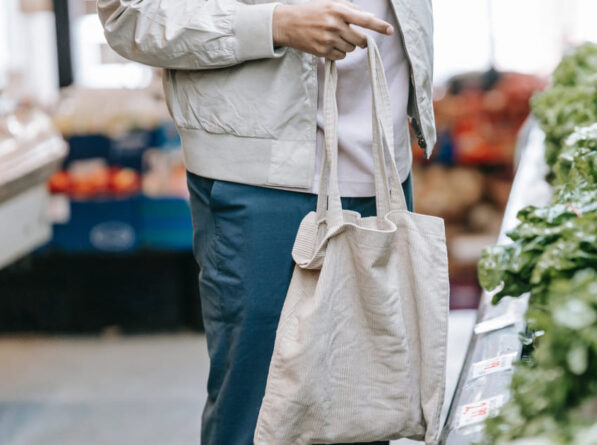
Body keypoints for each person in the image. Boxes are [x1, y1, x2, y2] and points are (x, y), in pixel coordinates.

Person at [97, 0, 435, 444]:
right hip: (261, 180)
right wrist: (272, 25)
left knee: (367, 412)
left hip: (383, 168)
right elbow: (129, 16)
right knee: (257, 417)